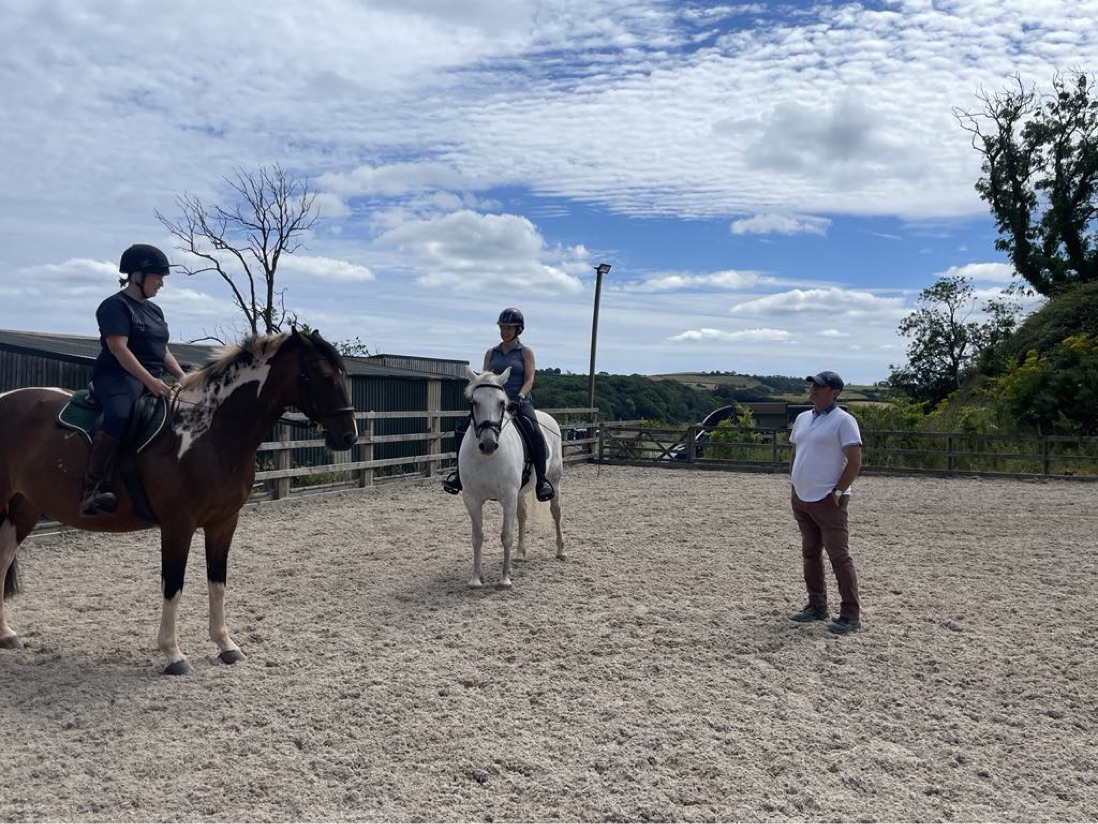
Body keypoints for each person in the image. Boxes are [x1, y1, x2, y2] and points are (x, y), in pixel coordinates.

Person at [80, 243, 185, 516]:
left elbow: (162, 350)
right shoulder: (115, 306)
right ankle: (91, 489)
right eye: (157, 276)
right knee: (120, 413)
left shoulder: (154, 311)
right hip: (117, 377)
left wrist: (184, 377)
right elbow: (119, 348)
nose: (161, 283)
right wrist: (150, 382)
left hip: (150, 376)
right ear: (137, 275)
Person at [443, 307, 555, 502]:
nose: (504, 331)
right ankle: (459, 474)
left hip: (518, 402)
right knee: (461, 428)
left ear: (518, 329)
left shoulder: (525, 352)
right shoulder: (491, 352)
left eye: (509, 328)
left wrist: (520, 397)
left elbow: (529, 379)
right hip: (493, 403)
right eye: (502, 327)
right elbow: (484, 379)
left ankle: (542, 481)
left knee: (535, 432)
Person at [787, 370, 864, 634]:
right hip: (802, 496)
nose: (813, 389)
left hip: (828, 498)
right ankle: (816, 605)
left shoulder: (844, 421)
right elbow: (796, 451)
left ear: (834, 392)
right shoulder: (802, 419)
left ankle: (850, 614)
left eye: (819, 386)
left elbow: (854, 460)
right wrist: (794, 481)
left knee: (839, 556)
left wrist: (840, 491)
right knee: (810, 553)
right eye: (812, 385)